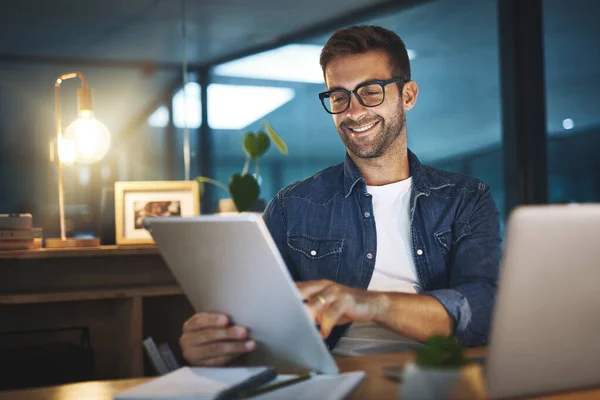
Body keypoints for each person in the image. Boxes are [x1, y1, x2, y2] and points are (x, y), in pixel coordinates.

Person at [179, 25, 501, 366]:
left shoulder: (465, 198)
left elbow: (480, 309)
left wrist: (370, 304)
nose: (353, 112)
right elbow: (257, 317)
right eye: (339, 97)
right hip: (332, 379)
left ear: (407, 95)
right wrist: (214, 341)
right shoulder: (293, 207)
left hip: (439, 378)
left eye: (371, 92)